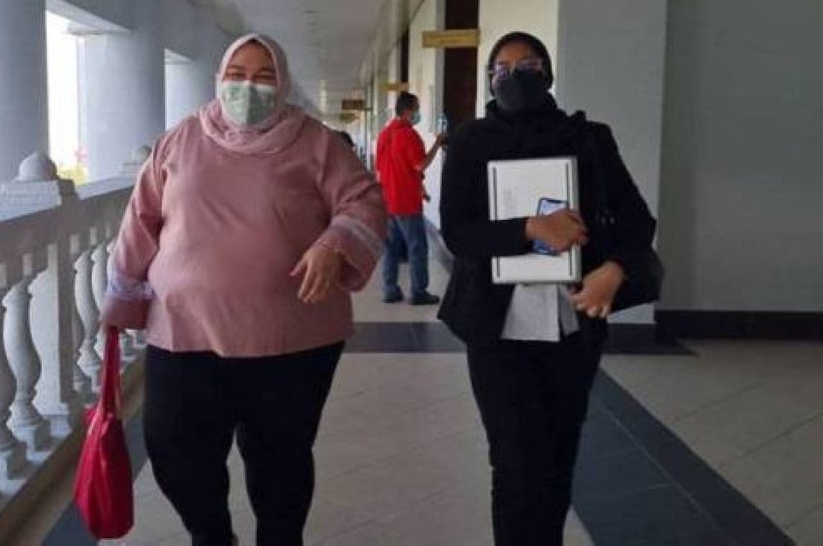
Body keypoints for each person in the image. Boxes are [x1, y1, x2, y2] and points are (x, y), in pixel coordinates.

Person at [100, 33, 387, 546]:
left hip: (291, 338)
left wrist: (334, 243)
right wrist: (122, 299)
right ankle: (213, 537)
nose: (247, 87)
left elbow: (364, 200)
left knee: (280, 460)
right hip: (184, 331)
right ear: (218, 78)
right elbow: (140, 221)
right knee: (174, 452)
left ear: (283, 82)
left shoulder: (314, 141)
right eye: (237, 74)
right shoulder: (181, 139)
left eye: (263, 76)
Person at [438, 31, 656, 546]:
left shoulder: (590, 139)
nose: (514, 76)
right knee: (514, 458)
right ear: (489, 80)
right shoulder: (470, 142)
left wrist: (615, 269)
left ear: (549, 73)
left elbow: (636, 220)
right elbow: (457, 232)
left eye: (528, 64)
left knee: (559, 450)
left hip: (572, 319)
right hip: (497, 325)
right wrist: (529, 229)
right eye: (502, 68)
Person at [375, 91, 446, 304]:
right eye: (416, 109)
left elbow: (390, 168)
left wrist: (421, 187)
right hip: (406, 201)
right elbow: (420, 164)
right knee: (417, 247)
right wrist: (438, 144)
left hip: (386, 200)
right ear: (407, 110)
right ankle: (418, 292)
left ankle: (390, 289)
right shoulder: (408, 135)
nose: (418, 113)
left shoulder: (384, 134)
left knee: (391, 247)